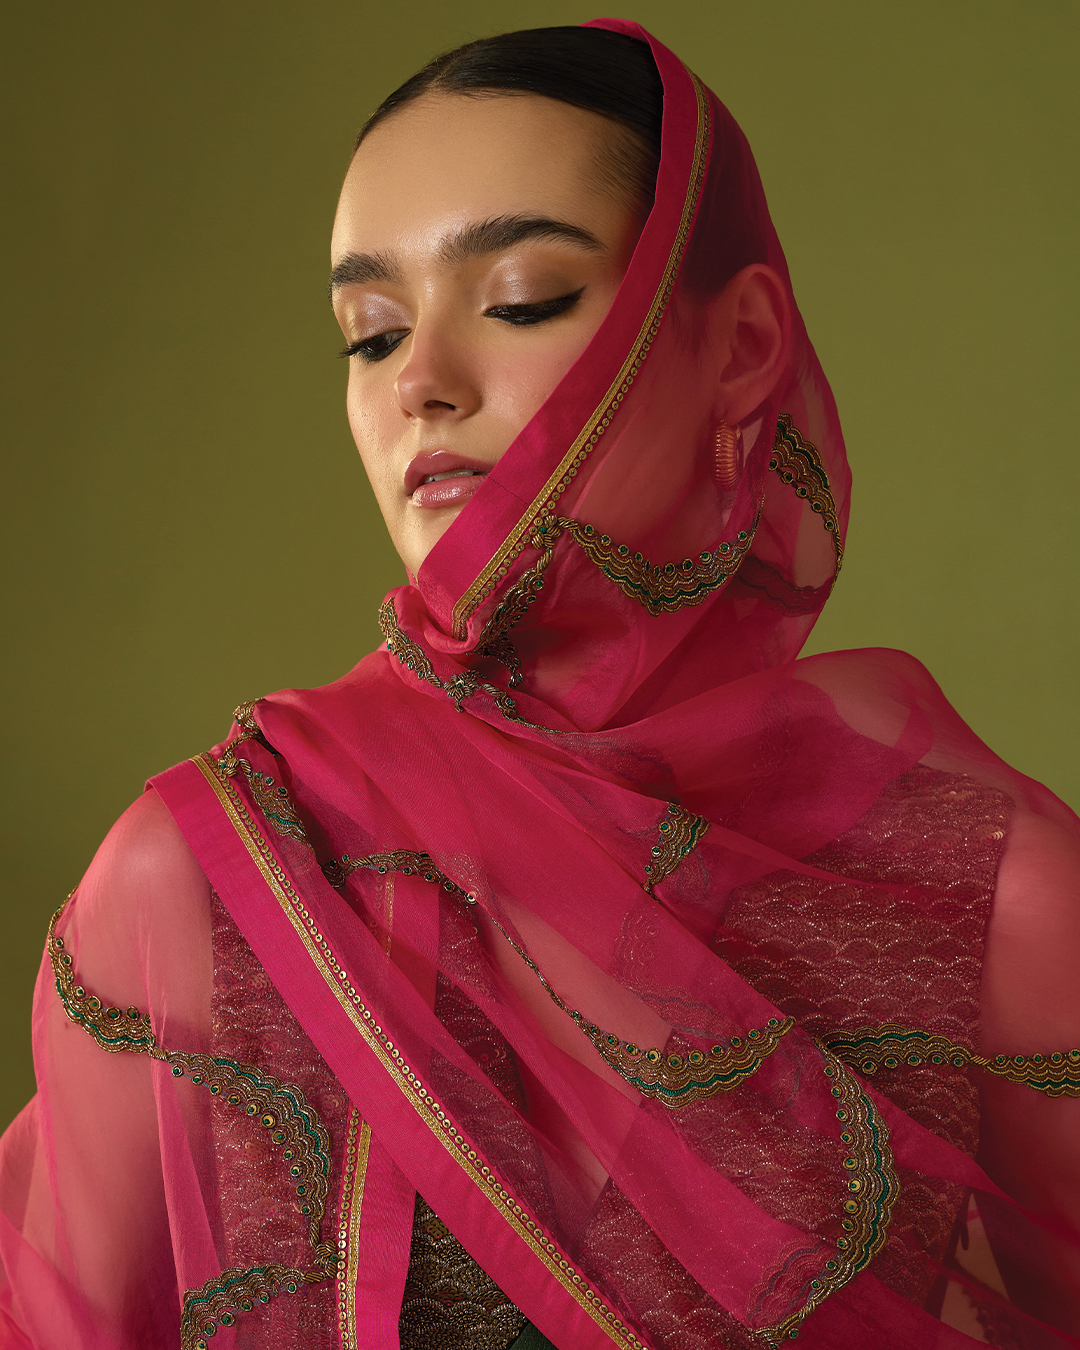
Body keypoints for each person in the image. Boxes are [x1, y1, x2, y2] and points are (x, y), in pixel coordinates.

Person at [0, 18, 1077, 1350]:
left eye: (519, 301)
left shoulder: (981, 899)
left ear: (741, 346)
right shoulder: (209, 877)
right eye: (371, 334)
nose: (422, 384)